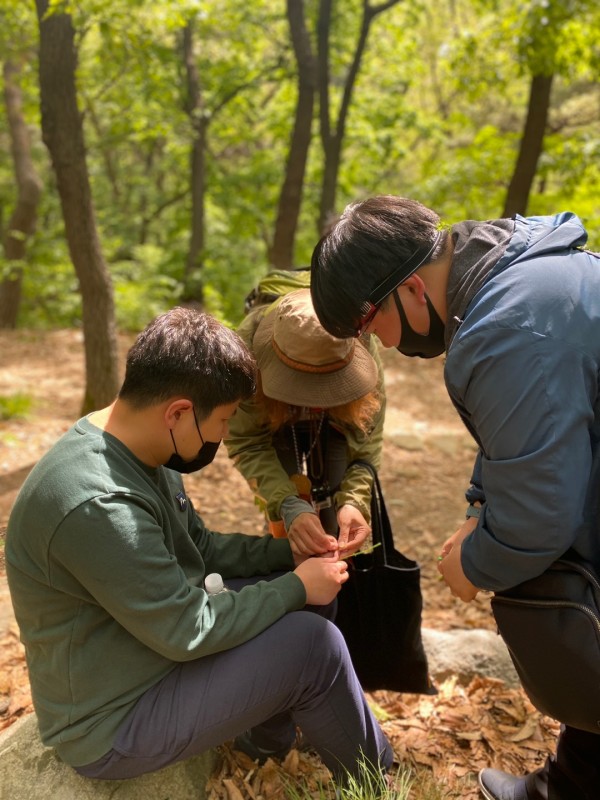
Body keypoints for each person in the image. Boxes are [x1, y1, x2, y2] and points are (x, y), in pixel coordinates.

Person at [5, 307, 392, 785]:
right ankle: (377, 782)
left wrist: (289, 556)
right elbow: (186, 628)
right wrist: (295, 586)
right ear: (179, 412)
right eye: (225, 420)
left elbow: (201, 548)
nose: (225, 435)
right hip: (114, 718)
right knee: (315, 645)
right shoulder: (96, 503)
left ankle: (264, 741)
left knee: (312, 606)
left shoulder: (140, 444)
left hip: (144, 651)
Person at [310, 195, 600, 800]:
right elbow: (521, 438)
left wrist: (472, 565)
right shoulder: (517, 275)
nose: (383, 346)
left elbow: (539, 517)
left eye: (371, 327)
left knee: (542, 589)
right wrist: (477, 510)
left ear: (412, 290)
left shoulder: (506, 329)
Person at [225, 287, 385, 557]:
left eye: (331, 384)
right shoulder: (244, 358)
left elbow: (365, 445)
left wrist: (355, 501)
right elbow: (247, 442)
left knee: (338, 513)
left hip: (336, 423)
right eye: (305, 385)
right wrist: (286, 503)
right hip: (272, 416)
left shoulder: (365, 346)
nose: (316, 397)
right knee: (287, 524)